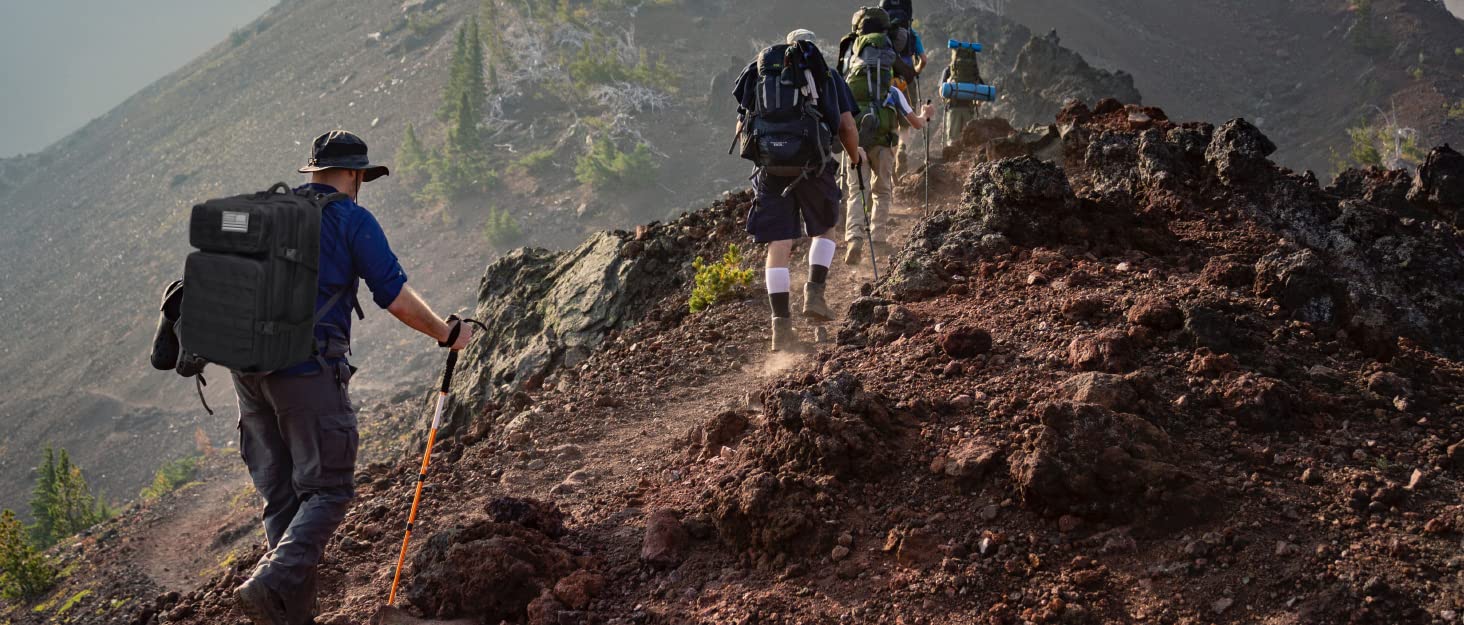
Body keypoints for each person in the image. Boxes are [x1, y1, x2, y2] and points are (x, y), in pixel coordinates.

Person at [232, 130, 473, 625]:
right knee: (329, 490)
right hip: (305, 369)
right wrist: (446, 334)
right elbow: (397, 298)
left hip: (246, 370)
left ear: (312, 171)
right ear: (356, 175)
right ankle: (269, 584)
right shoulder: (351, 219)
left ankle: (288, 616)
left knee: (284, 497)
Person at [733, 29, 865, 352]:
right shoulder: (826, 75)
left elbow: (742, 127)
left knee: (778, 245)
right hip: (812, 166)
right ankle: (814, 295)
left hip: (771, 170)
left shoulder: (759, 75)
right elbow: (847, 127)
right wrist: (853, 156)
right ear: (812, 48)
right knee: (825, 230)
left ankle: (781, 329)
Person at [843, 55, 935, 265]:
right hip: (883, 147)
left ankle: (854, 240)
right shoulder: (892, 90)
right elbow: (916, 123)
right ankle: (878, 238)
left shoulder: (849, 86)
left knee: (857, 191)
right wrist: (926, 114)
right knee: (882, 191)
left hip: (855, 145)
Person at [941, 45, 985, 148]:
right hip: (969, 108)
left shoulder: (949, 70)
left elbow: (942, 89)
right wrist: (978, 103)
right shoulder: (972, 71)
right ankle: (966, 162)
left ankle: (952, 162)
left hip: (953, 108)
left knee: (953, 141)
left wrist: (944, 99)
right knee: (969, 140)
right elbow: (981, 89)